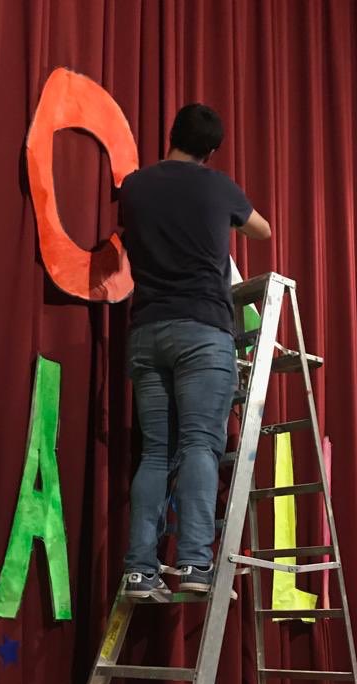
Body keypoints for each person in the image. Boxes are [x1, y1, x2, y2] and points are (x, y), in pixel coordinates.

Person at [119, 103, 271, 599]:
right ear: (210, 150)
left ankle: (140, 569)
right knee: (201, 446)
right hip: (202, 330)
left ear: (171, 135)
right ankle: (194, 564)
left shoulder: (137, 186)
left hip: (146, 330)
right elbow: (262, 230)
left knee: (157, 451)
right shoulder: (216, 184)